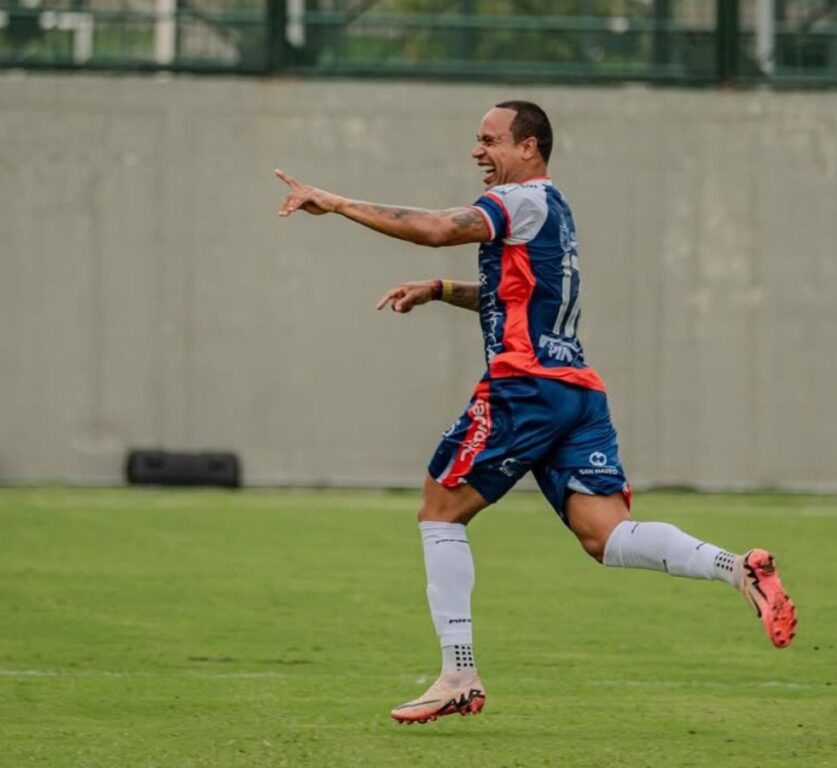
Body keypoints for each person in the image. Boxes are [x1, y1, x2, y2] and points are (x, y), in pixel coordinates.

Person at [275, 100, 797, 725]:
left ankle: (458, 673)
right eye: (477, 140)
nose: (478, 151)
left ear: (530, 148)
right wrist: (440, 290)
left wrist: (334, 202)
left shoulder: (520, 201)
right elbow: (516, 298)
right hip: (574, 392)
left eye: (490, 140)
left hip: (523, 388)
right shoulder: (555, 212)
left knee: (440, 510)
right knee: (606, 537)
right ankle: (738, 570)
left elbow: (440, 227)